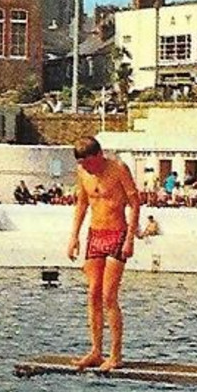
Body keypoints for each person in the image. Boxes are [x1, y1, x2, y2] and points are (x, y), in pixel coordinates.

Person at [67, 136, 141, 372]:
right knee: (93, 294)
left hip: (117, 233)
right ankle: (96, 351)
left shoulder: (118, 168)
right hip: (95, 235)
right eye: (82, 164)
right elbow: (82, 204)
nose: (86, 168)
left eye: (88, 163)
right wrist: (74, 237)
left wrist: (130, 238)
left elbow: (135, 203)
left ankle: (115, 354)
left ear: (98, 155)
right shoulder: (83, 173)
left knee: (109, 296)